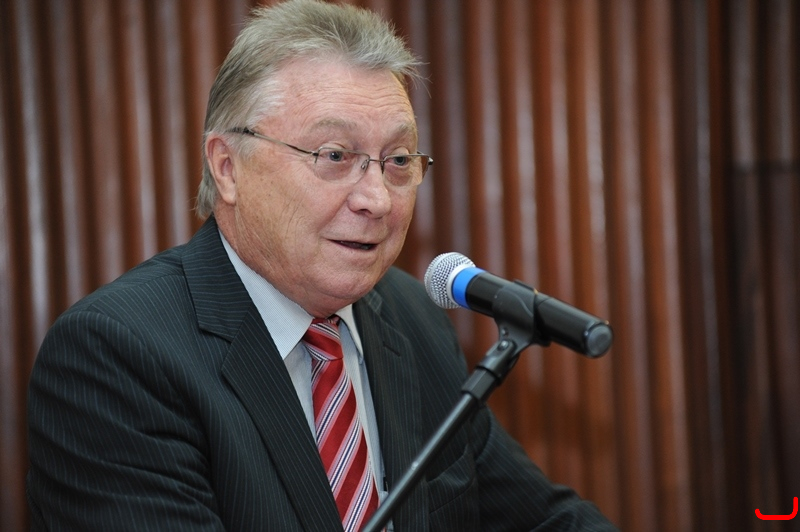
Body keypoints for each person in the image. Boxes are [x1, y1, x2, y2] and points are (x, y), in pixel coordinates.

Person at [26, 0, 617, 530]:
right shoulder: (116, 355)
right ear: (228, 167)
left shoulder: (412, 317)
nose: (377, 199)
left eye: (398, 160)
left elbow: (543, 519)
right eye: (334, 155)